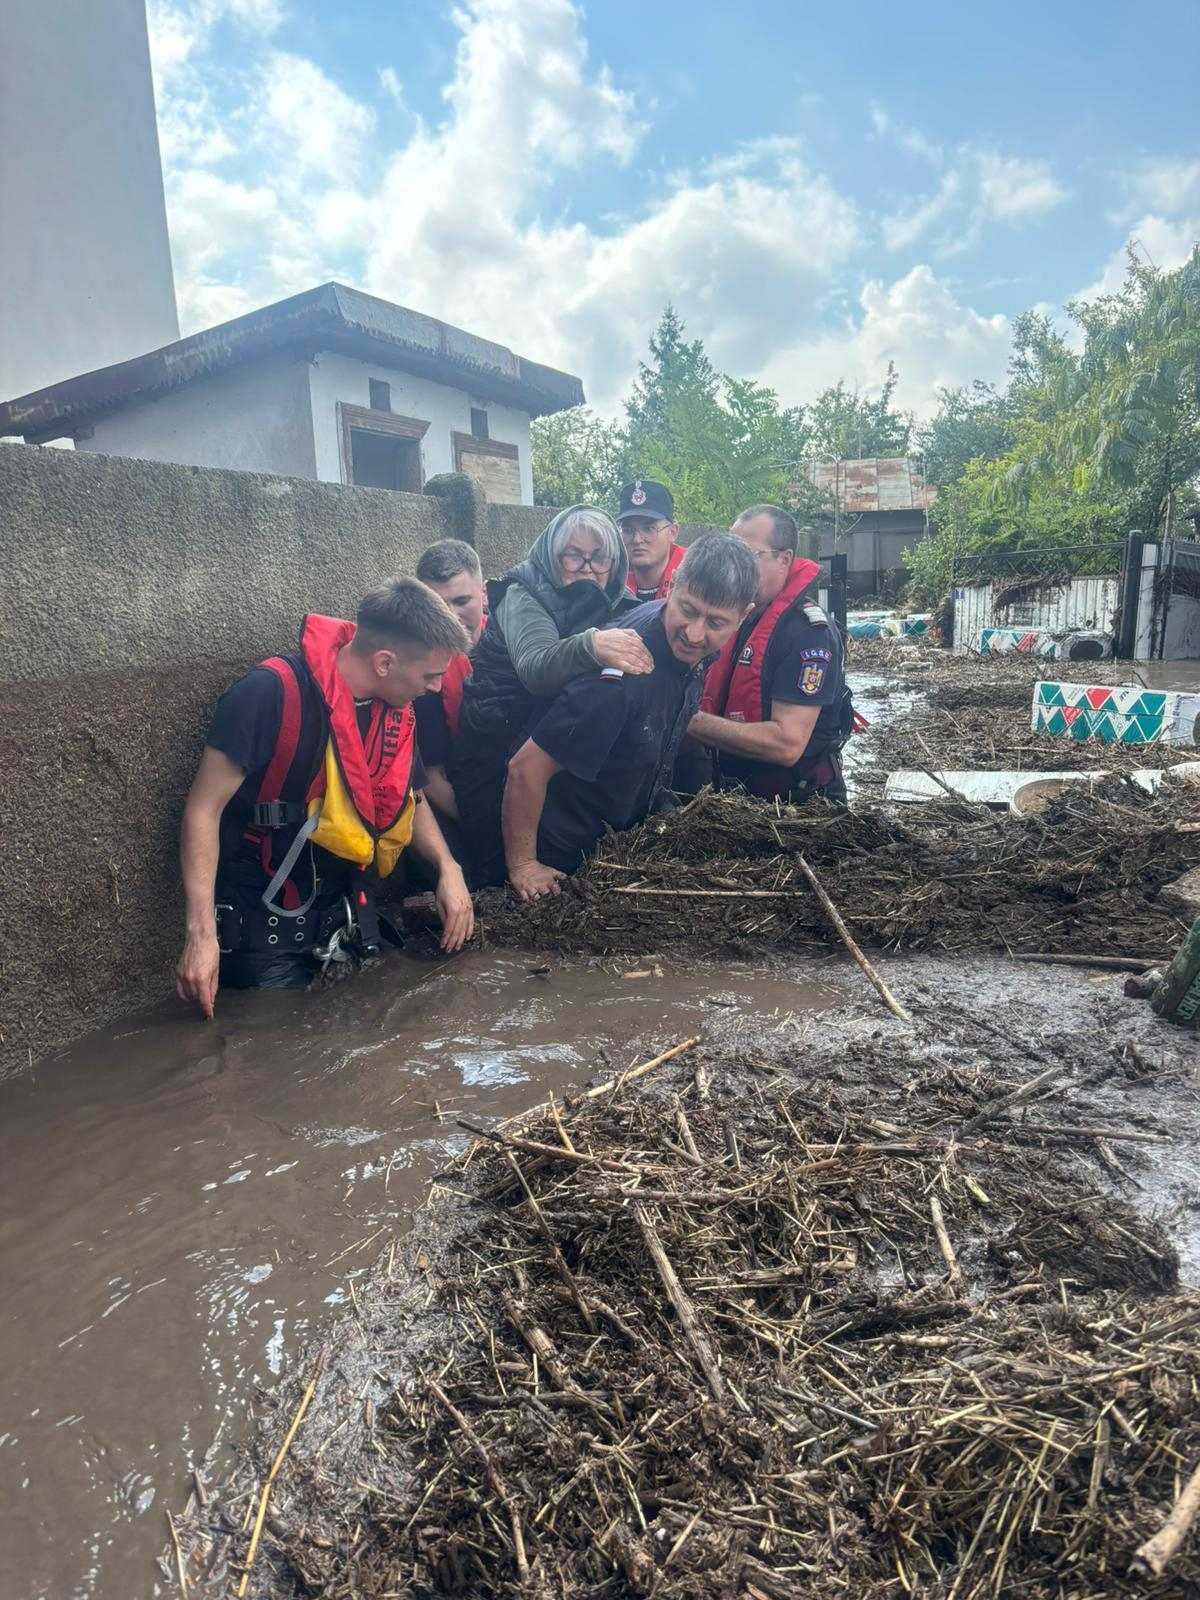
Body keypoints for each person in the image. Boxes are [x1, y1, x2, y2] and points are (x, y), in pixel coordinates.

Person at [174, 579, 475, 1017]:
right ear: (385, 663)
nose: (434, 688)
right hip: (263, 918)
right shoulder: (268, 694)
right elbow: (203, 811)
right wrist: (200, 936)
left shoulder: (394, 711)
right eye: (429, 677)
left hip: (344, 909)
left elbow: (410, 796)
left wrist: (448, 868)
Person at [501, 534, 759, 900]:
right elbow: (524, 768)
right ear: (672, 586)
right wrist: (524, 865)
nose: (694, 633)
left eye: (716, 622)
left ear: (743, 616)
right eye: (687, 609)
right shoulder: (621, 679)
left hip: (615, 847)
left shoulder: (688, 651)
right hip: (559, 857)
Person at [449, 506, 652, 887]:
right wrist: (593, 644)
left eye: (599, 557)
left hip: (542, 743)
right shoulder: (523, 593)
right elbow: (536, 670)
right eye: (574, 555)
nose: (587, 567)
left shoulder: (616, 600)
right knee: (496, 870)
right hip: (492, 746)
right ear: (551, 555)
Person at [687, 505, 850, 804]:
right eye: (732, 556)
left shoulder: (808, 633)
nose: (735, 568)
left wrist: (687, 719)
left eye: (749, 556)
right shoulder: (735, 618)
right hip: (740, 803)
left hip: (801, 810)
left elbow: (787, 745)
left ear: (784, 560)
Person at [413, 539, 487, 826]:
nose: (452, 617)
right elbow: (432, 778)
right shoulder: (420, 671)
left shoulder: (516, 645)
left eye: (461, 601)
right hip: (459, 805)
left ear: (484, 593)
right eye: (439, 605)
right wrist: (488, 829)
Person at [618, 478, 685, 601]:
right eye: (628, 530)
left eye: (649, 528)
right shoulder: (612, 584)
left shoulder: (694, 583)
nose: (637, 540)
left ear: (672, 532)